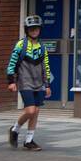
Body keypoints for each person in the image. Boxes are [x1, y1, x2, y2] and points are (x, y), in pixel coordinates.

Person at [7, 15, 52, 152]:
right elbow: (12, 63)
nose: (34, 31)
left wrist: (47, 84)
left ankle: (29, 141)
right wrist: (11, 81)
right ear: (27, 30)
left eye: (36, 28)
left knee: (36, 111)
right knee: (30, 110)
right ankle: (15, 129)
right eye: (31, 29)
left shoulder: (42, 47)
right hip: (25, 82)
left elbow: (46, 66)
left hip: (39, 83)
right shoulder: (21, 45)